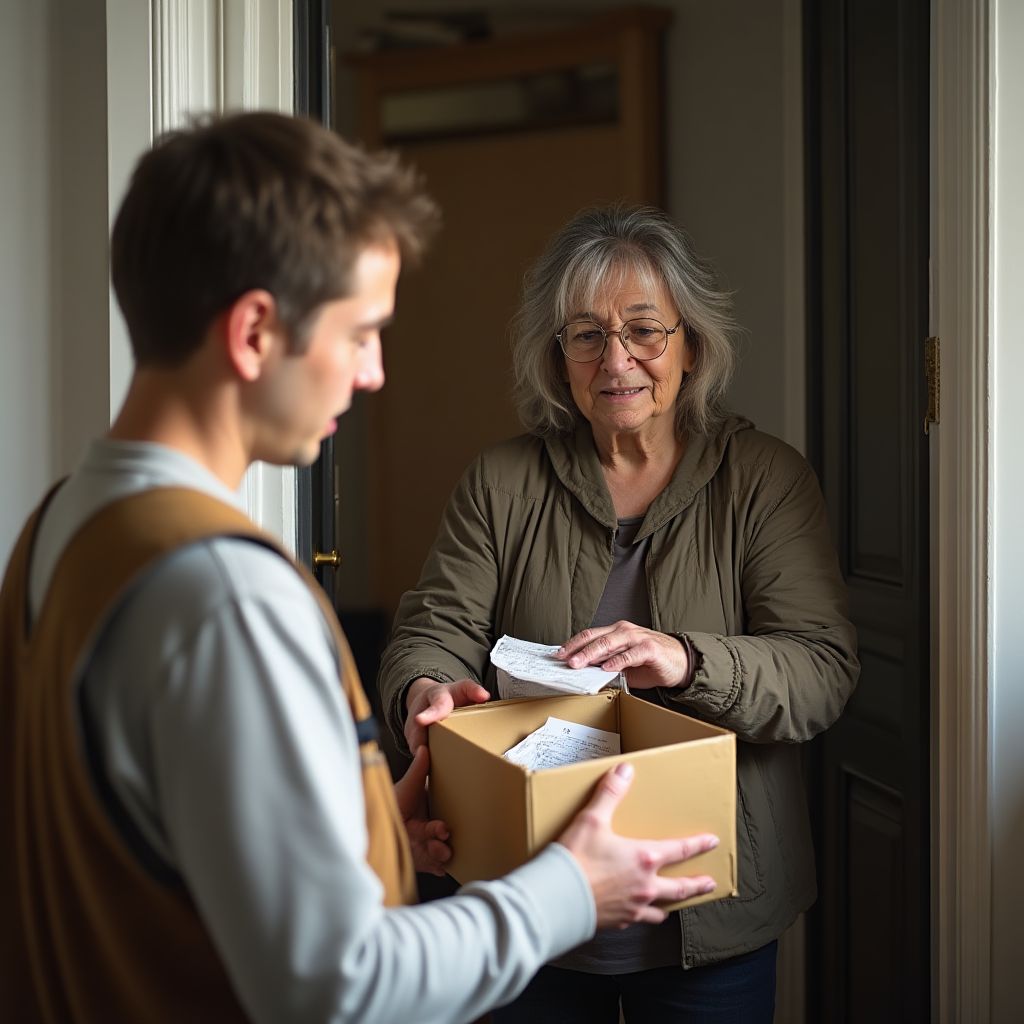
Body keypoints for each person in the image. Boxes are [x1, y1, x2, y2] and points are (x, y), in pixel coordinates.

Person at [0, 116, 722, 1024]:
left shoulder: (58, 527)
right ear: (256, 331)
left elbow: (148, 847)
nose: (375, 372)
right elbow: (341, 986)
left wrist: (368, 820)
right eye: (360, 331)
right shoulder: (230, 597)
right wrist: (570, 890)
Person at [378, 205, 860, 1022]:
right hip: (529, 904)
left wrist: (684, 659)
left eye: (645, 331)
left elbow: (821, 670)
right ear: (557, 357)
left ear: (691, 344)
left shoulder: (765, 479)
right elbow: (434, 629)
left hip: (708, 911)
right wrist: (426, 689)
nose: (618, 360)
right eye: (586, 336)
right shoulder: (501, 482)